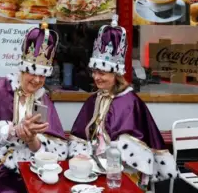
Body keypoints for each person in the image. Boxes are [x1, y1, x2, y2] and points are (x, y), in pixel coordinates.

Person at [68, 15, 178, 190]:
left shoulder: (129, 102)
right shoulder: (95, 98)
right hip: (94, 168)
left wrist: (101, 158)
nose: (96, 77)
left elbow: (133, 151)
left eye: (102, 73)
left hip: (121, 173)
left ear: (115, 74)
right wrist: (85, 156)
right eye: (95, 71)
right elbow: (81, 137)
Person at [0, 23, 68, 193]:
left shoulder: (43, 101)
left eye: (42, 75)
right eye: (33, 73)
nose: (37, 80)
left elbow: (54, 151)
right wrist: (13, 130)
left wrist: (32, 140)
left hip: (20, 169)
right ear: (22, 69)